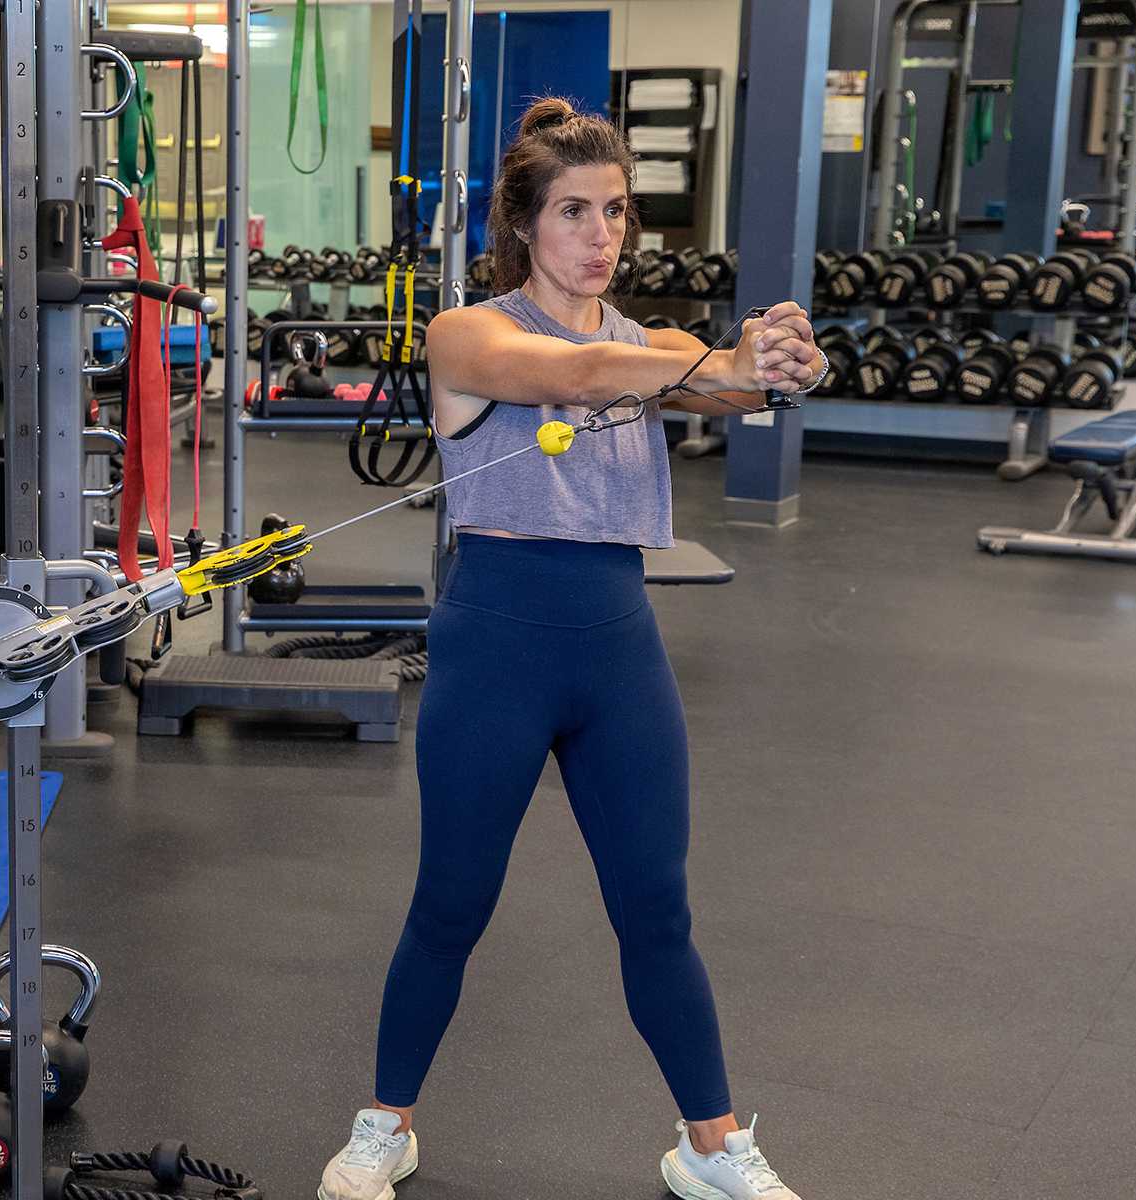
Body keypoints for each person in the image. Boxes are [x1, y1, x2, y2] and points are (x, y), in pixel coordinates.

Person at [317, 98, 823, 1200]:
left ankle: (710, 1146)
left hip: (619, 652)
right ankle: (385, 1125)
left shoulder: (656, 346)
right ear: (523, 225)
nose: (603, 235)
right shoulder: (467, 335)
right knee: (450, 905)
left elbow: (740, 385)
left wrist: (784, 361)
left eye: (618, 211)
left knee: (658, 910)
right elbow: (580, 376)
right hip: (495, 648)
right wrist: (718, 360)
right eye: (575, 212)